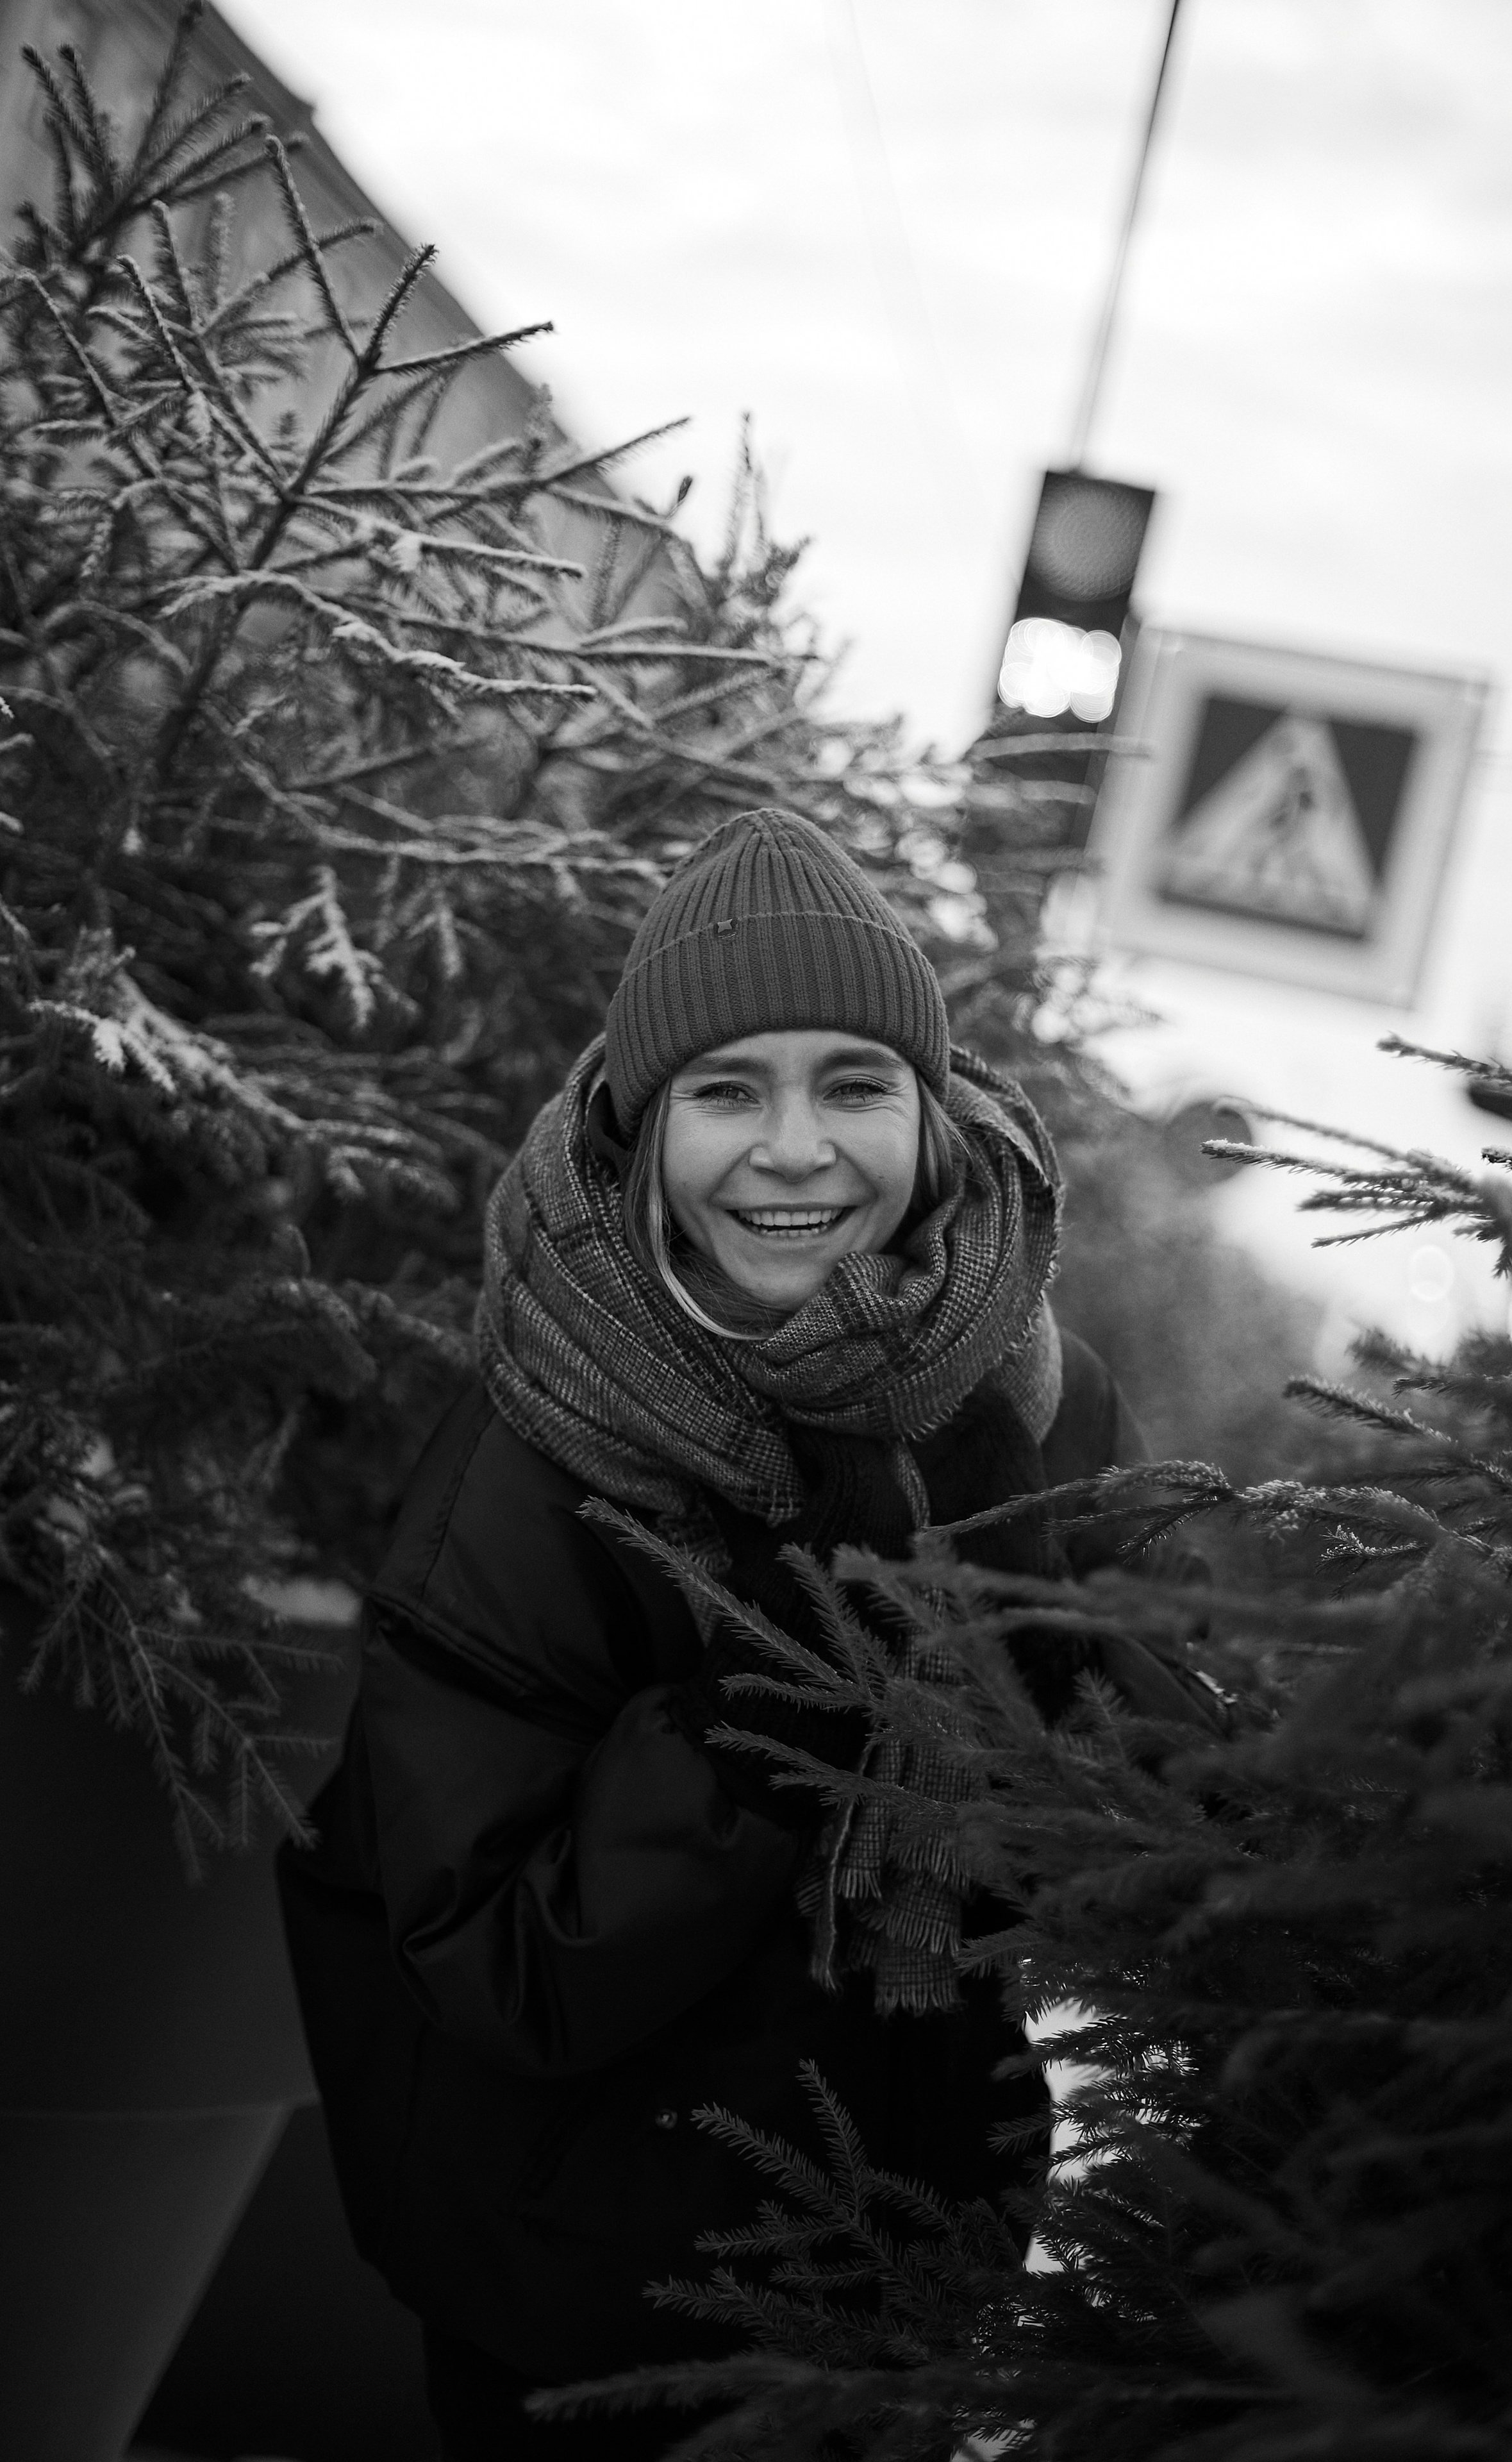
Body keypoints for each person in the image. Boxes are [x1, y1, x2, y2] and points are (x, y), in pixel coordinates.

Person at [278, 808, 1144, 2461]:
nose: (797, 1149)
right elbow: (494, 1953)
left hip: (906, 2251)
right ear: (640, 1128)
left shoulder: (1026, 1394)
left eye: (856, 1084)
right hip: (596, 2283)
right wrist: (772, 1721)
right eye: (728, 1090)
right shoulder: (539, 1457)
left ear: (935, 1117)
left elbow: (1082, 1760)